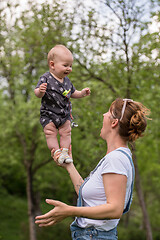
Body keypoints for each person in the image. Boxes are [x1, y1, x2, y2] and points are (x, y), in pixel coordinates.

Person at [35, 98, 150, 239]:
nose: (103, 115)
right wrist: (69, 166)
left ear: (114, 123)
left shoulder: (116, 160)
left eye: (108, 112)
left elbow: (115, 208)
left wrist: (69, 211)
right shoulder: (116, 157)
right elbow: (91, 198)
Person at [34, 45, 90, 164]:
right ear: (52, 65)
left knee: (66, 131)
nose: (69, 69)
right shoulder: (46, 78)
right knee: (50, 132)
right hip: (48, 113)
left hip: (64, 114)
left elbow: (73, 93)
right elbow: (37, 93)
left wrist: (82, 93)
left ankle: (65, 152)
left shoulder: (67, 81)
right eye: (65, 65)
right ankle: (56, 152)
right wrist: (40, 91)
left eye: (70, 66)